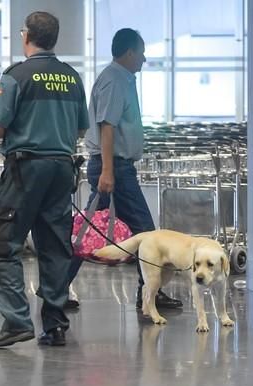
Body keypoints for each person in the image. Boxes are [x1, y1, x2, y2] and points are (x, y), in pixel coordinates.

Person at [0, 11, 89, 348]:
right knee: (55, 246)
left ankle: (17, 321)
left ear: (25, 36)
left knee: (5, 245)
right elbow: (81, 128)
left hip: (25, 169)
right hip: (61, 169)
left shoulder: (17, 75)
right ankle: (55, 324)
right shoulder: (72, 78)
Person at [64, 28, 182, 312]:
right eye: (141, 52)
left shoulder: (121, 79)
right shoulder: (115, 80)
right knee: (144, 231)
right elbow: (108, 126)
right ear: (129, 52)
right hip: (113, 167)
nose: (144, 59)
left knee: (87, 233)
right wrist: (107, 171)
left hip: (115, 167)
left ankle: (55, 289)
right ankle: (150, 293)